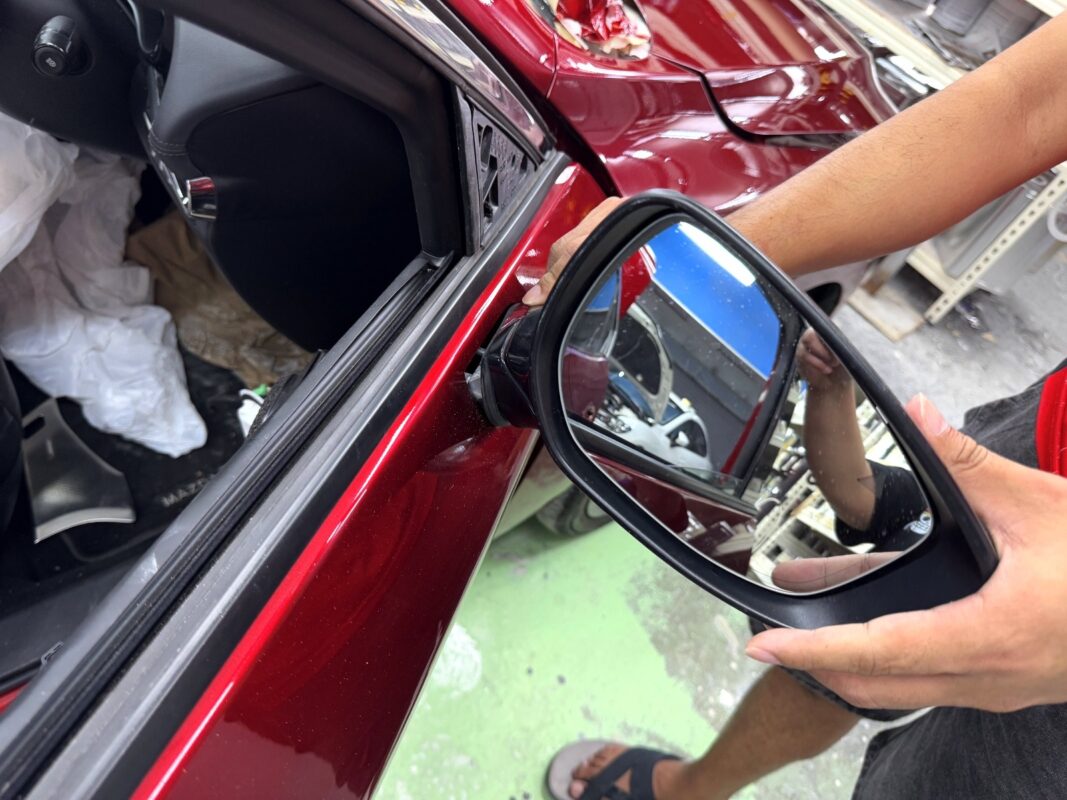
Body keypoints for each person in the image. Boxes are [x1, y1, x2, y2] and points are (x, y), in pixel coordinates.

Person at [528, 12, 1067, 800]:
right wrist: (676, 253)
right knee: (852, 647)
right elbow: (1029, 101)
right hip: (1046, 445)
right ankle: (691, 790)